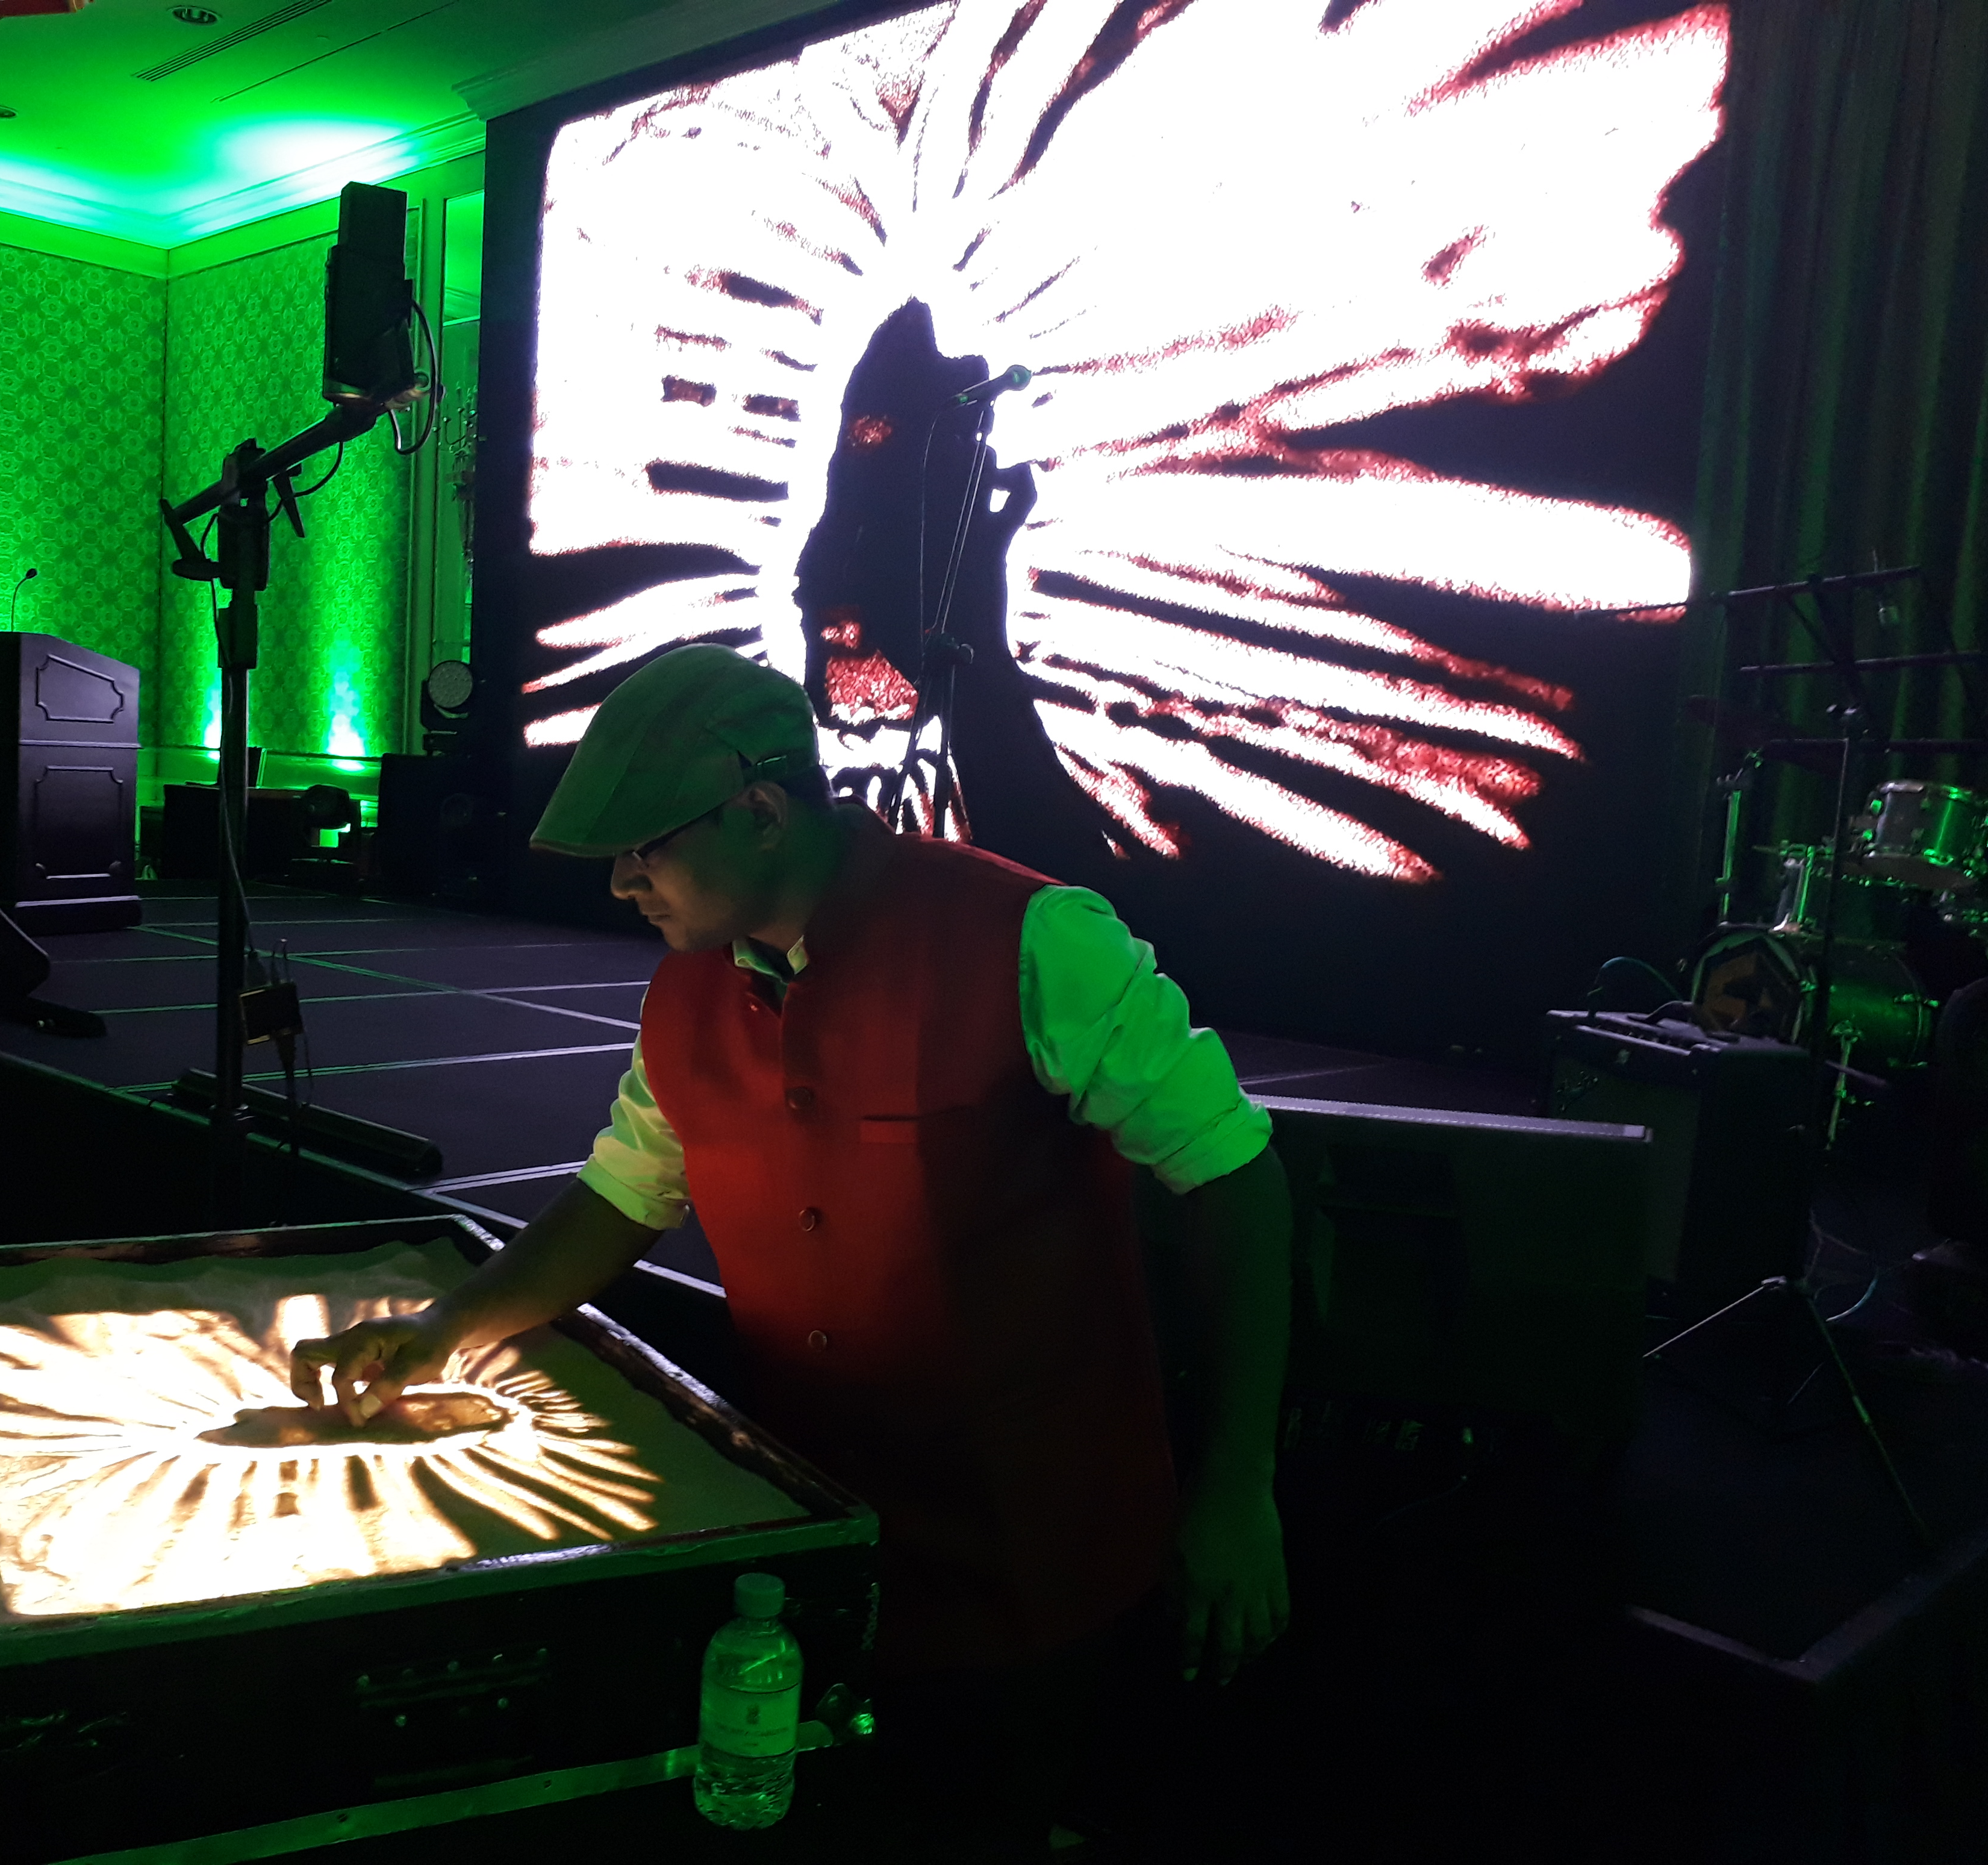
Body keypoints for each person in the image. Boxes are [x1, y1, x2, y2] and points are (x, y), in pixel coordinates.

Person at [290, 644, 1292, 1857]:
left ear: (762, 812)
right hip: (808, 1534)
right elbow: (619, 1197)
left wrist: (1237, 1488)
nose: (621, 883)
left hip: (1037, 1550)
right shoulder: (684, 996)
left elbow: (1235, 1182)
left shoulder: (1031, 937)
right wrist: (448, 1326)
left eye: (644, 848)